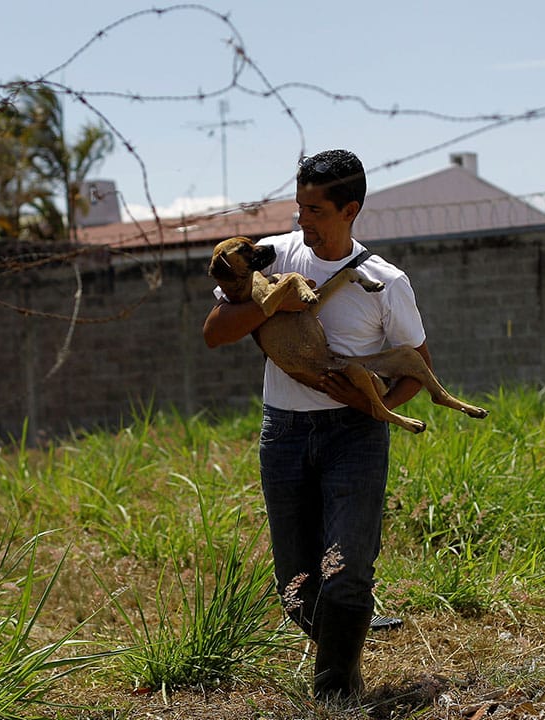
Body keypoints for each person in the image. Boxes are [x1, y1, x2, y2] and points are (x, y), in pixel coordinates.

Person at [202, 149, 433, 699]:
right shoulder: (270, 257)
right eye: (298, 206)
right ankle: (346, 643)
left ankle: (336, 695)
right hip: (282, 436)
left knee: (348, 572)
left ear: (349, 210)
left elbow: (421, 369)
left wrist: (370, 407)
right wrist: (273, 301)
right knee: (296, 588)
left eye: (314, 210)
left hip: (354, 438)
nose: (301, 220)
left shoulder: (386, 280)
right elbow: (215, 332)